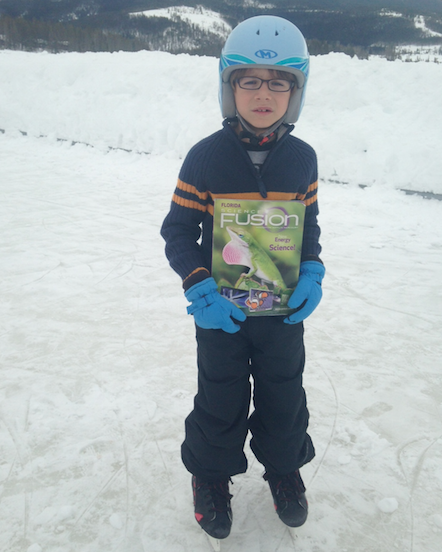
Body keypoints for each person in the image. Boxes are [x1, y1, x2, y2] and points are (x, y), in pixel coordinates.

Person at [161, 15, 325, 541]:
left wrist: (314, 270)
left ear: (296, 91)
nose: (263, 92)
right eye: (249, 79)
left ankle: (283, 469)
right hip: (223, 311)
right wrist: (199, 285)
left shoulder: (302, 161)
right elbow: (179, 229)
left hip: (279, 312)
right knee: (221, 393)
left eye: (280, 82)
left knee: (283, 392)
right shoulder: (206, 158)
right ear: (228, 86)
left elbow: (309, 227)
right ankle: (210, 477)